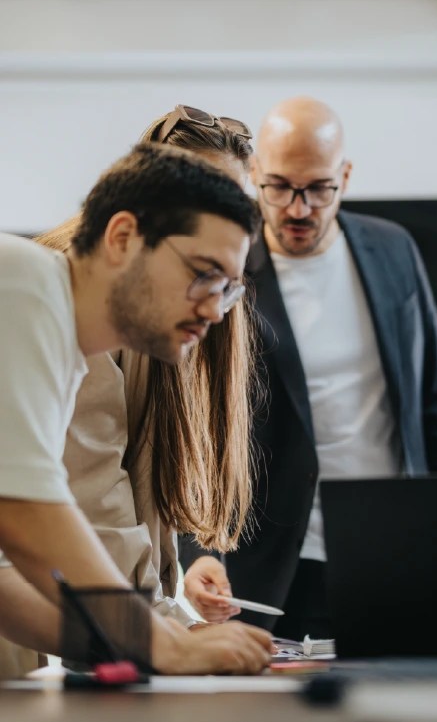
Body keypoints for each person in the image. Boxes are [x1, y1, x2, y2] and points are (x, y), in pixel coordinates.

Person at [181, 96, 437, 639]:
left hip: (397, 554)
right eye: (279, 187)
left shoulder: (393, 250)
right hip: (271, 566)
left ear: (345, 175)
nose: (297, 208)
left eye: (318, 188)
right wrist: (197, 550)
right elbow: (196, 424)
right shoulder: (226, 268)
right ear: (254, 176)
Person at [0, 106, 262, 678]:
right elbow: (23, 514)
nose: (215, 311)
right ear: (122, 236)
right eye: (203, 273)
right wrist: (162, 641)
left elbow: (6, 583)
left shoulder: (65, 349)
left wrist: (156, 640)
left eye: (229, 290)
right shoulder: (26, 286)